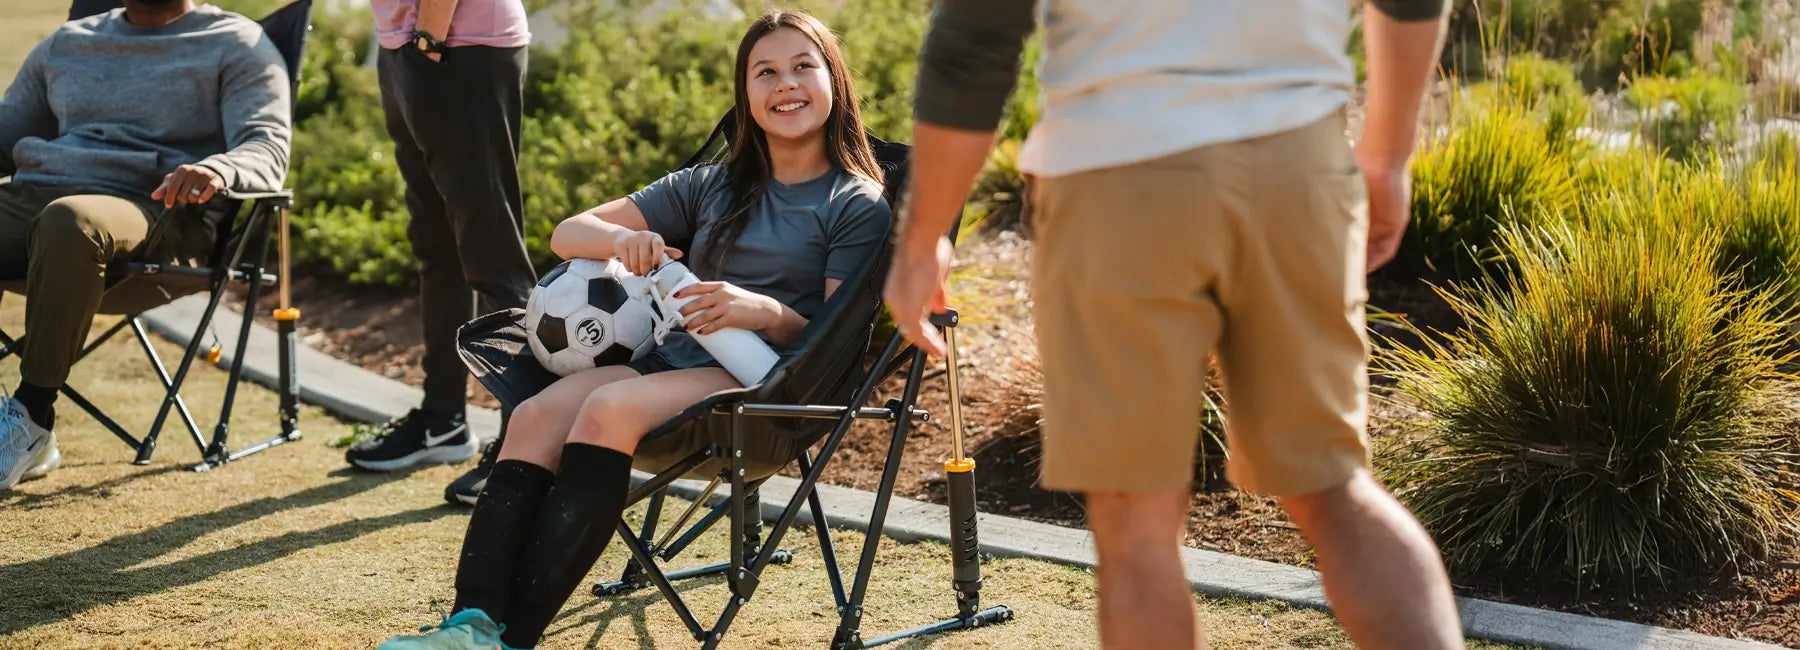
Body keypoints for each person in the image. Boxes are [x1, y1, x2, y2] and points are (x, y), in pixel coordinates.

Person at [885, 1, 1464, 648]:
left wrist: (921, 238)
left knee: (1136, 522)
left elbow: (976, 36)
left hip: (1115, 164)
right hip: (1296, 160)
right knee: (1335, 490)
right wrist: (1388, 154)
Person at [376, 10, 891, 648]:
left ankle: (514, 640)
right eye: (766, 72)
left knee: (609, 404)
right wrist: (628, 239)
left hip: (767, 388)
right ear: (746, 95)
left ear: (833, 81)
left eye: (802, 67)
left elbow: (828, 339)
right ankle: (472, 624)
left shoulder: (855, 202)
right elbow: (569, 233)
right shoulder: (712, 186)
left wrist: (755, 310)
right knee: (535, 415)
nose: (785, 84)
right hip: (671, 364)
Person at [0, 0, 291, 491]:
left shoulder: (234, 42)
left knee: (69, 222)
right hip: (41, 189)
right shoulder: (70, 41)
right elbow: (6, 132)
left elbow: (267, 146)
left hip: (155, 208)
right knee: (60, 216)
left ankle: (32, 418)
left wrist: (218, 169)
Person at [343, 0, 538, 506]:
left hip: (458, 46)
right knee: (438, 248)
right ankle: (442, 420)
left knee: (492, 255)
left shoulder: (438, 44)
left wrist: (427, 39)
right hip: (409, 49)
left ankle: (528, 449)